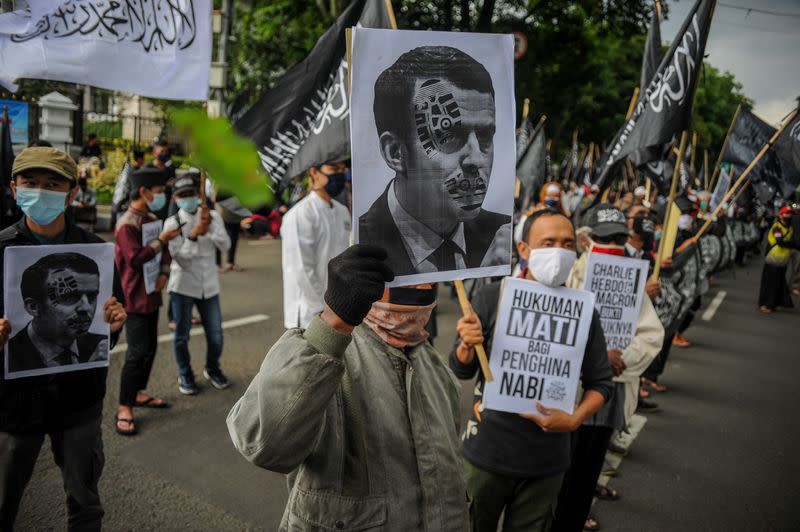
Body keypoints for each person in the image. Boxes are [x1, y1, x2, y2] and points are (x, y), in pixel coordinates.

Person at [227, 245, 471, 531]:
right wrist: (334, 322)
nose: (423, 283)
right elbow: (261, 442)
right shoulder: (326, 356)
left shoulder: (437, 370)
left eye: (431, 271)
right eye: (408, 269)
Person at [450, 208, 613, 532]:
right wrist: (467, 346)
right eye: (548, 242)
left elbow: (601, 383)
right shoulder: (492, 296)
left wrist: (575, 419)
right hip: (486, 454)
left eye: (568, 244)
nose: (559, 252)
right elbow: (460, 369)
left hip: (547, 464)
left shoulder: (584, 311)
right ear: (524, 249)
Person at [0, 146, 126, 531]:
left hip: (79, 403)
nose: (41, 192)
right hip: (14, 406)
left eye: (52, 185)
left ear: (72, 193)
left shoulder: (96, 251)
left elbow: (108, 328)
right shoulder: (1, 247)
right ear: (14, 187)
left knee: (85, 503)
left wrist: (115, 326)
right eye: (31, 183)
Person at [556, 204, 664, 532]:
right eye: (606, 238)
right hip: (570, 394)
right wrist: (598, 355)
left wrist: (624, 357)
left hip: (609, 396)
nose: (613, 245)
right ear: (588, 239)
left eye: (619, 237)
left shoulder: (634, 280)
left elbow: (650, 336)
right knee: (562, 465)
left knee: (590, 464)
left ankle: (575, 516)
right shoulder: (570, 273)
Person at [359, 46, 511, 276]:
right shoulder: (354, 247)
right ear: (395, 153)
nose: (477, 159)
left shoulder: (506, 239)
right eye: (448, 136)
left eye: (485, 136)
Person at [114, 166, 181, 435]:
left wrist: (164, 272)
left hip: (152, 293)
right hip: (133, 296)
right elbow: (135, 258)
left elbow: (163, 253)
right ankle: (124, 406)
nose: (163, 195)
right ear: (143, 192)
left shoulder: (152, 217)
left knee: (150, 348)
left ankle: (138, 392)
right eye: (159, 191)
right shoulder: (126, 224)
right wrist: (162, 240)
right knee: (136, 352)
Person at [163, 173, 231, 394]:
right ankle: (185, 373)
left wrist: (208, 227)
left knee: (216, 335)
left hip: (209, 286)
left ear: (198, 194)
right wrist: (193, 235)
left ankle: (212, 368)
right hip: (183, 286)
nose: (187, 198)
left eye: (191, 194)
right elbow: (180, 259)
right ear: (175, 199)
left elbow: (225, 245)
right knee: (182, 336)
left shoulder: (212, 216)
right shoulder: (172, 223)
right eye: (182, 195)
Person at [9, 253, 108, 372]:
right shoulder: (8, 354)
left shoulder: (100, 346)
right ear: (33, 307)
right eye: (69, 297)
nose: (86, 307)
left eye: (92, 296)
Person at [280, 162, 350, 329]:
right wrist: (322, 308)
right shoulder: (300, 214)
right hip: (310, 312)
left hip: (338, 308)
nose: (339, 175)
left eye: (342, 170)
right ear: (314, 172)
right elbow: (301, 269)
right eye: (333, 169)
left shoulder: (342, 211)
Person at [758, 205, 795, 313]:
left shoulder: (790, 228)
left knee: (779, 283)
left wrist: (790, 244)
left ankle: (773, 304)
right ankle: (765, 304)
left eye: (790, 213)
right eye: (786, 213)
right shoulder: (777, 227)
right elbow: (780, 242)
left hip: (783, 261)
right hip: (772, 260)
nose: (788, 215)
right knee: (770, 283)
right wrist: (792, 244)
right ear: (781, 215)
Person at [144, 140, 175, 221]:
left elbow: (172, 186)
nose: (164, 154)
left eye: (166, 151)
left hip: (166, 210)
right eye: (162, 151)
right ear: (154, 152)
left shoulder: (170, 170)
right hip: (151, 209)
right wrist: (165, 186)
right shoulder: (147, 169)